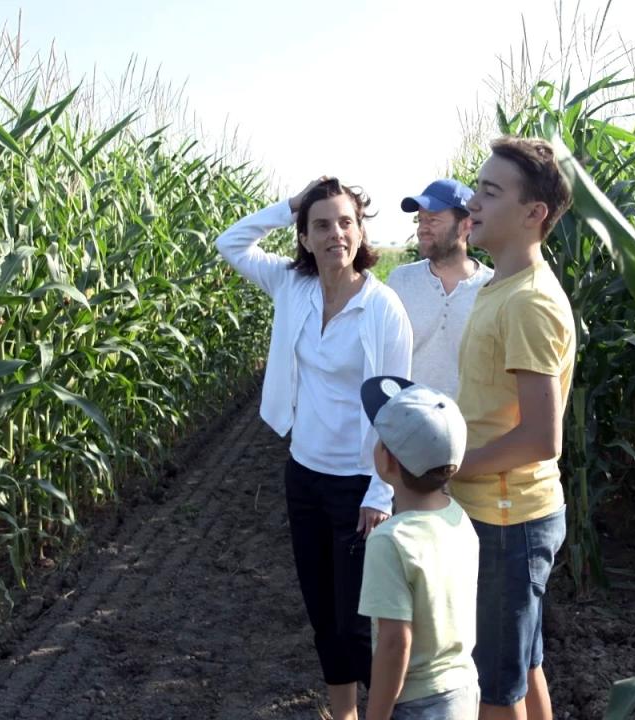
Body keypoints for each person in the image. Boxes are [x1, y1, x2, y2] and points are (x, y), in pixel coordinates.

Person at [215, 177, 413, 720]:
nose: (335, 234)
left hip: (359, 485)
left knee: (356, 619)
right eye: (321, 225)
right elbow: (229, 242)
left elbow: (395, 406)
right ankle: (342, 713)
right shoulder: (291, 287)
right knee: (322, 611)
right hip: (303, 474)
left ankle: (385, 711)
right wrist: (291, 205)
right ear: (303, 236)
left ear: (360, 231)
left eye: (346, 222)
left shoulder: (382, 307)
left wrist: (380, 490)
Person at [451, 137, 575, 720]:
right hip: (506, 513)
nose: (472, 201)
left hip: (507, 518)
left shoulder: (527, 301)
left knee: (493, 689)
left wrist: (449, 468)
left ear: (534, 214)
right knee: (522, 665)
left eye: (490, 192)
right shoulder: (500, 287)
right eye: (477, 187)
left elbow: (540, 438)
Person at [358, 375, 479, 720]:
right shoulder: (459, 519)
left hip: (418, 704)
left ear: (389, 461)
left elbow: (395, 643)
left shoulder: (390, 542)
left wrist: (376, 716)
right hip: (463, 690)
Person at [387, 179, 493, 399]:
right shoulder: (401, 281)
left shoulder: (492, 288)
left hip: (471, 429)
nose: (422, 229)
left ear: (466, 225)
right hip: (408, 424)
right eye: (420, 220)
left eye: (433, 220)